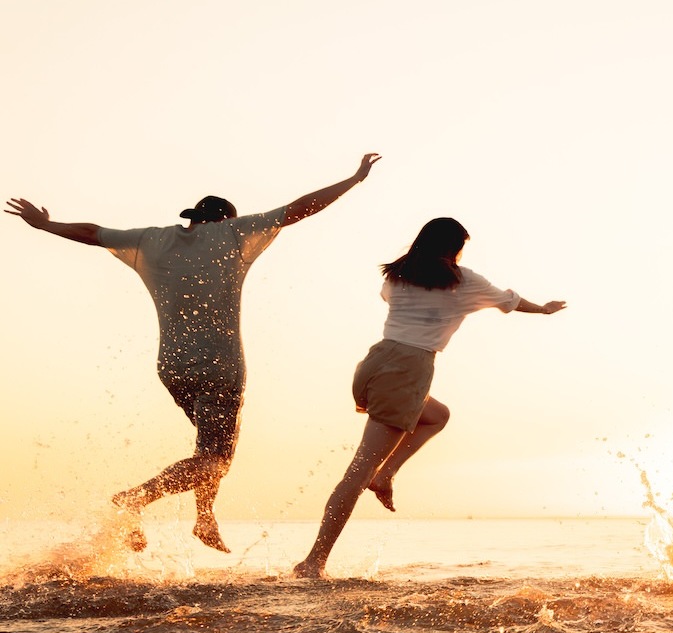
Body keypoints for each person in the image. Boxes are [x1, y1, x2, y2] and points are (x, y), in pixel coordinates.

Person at [5, 154, 381, 553]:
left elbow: (93, 232)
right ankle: (133, 499)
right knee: (217, 457)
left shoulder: (153, 239)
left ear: (192, 219)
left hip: (172, 367)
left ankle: (204, 517)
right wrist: (354, 179)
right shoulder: (234, 233)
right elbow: (299, 209)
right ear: (224, 220)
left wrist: (45, 225)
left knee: (209, 448)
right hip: (219, 365)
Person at [292, 218, 566, 578]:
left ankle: (385, 475)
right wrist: (543, 309)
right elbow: (509, 301)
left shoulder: (396, 275)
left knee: (437, 415)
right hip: (409, 370)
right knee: (356, 473)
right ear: (454, 248)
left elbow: (392, 301)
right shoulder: (463, 281)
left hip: (376, 362)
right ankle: (314, 561)